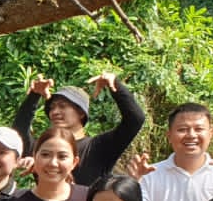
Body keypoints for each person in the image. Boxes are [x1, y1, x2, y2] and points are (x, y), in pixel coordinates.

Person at [11, 72, 146, 185]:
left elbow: (135, 120)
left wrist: (115, 85)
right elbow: (18, 134)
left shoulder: (98, 147)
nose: (55, 112)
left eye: (62, 106)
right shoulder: (42, 149)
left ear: (81, 113)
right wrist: (34, 96)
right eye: (52, 108)